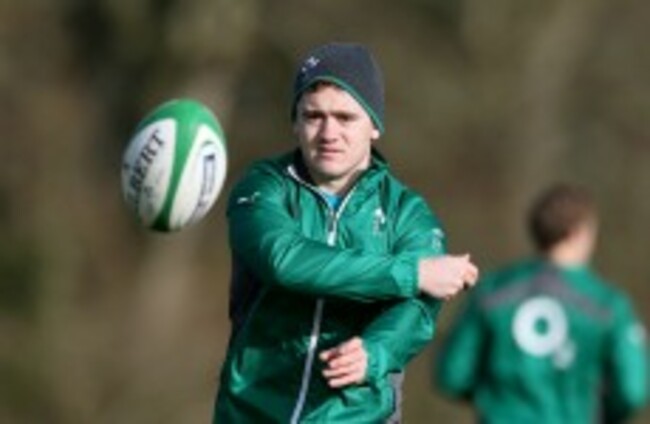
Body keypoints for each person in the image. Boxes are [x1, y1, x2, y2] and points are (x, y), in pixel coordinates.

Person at [213, 42, 479, 423]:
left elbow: (418, 307)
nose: (328, 132)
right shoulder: (262, 185)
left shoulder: (408, 213)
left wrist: (376, 352)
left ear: (375, 126)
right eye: (313, 116)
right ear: (295, 123)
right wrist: (412, 272)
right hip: (251, 412)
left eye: (345, 117)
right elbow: (282, 259)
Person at [434, 183, 649, 423]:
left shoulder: (493, 292)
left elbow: (452, 376)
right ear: (579, 233)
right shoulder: (607, 304)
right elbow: (632, 391)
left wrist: (495, 398)